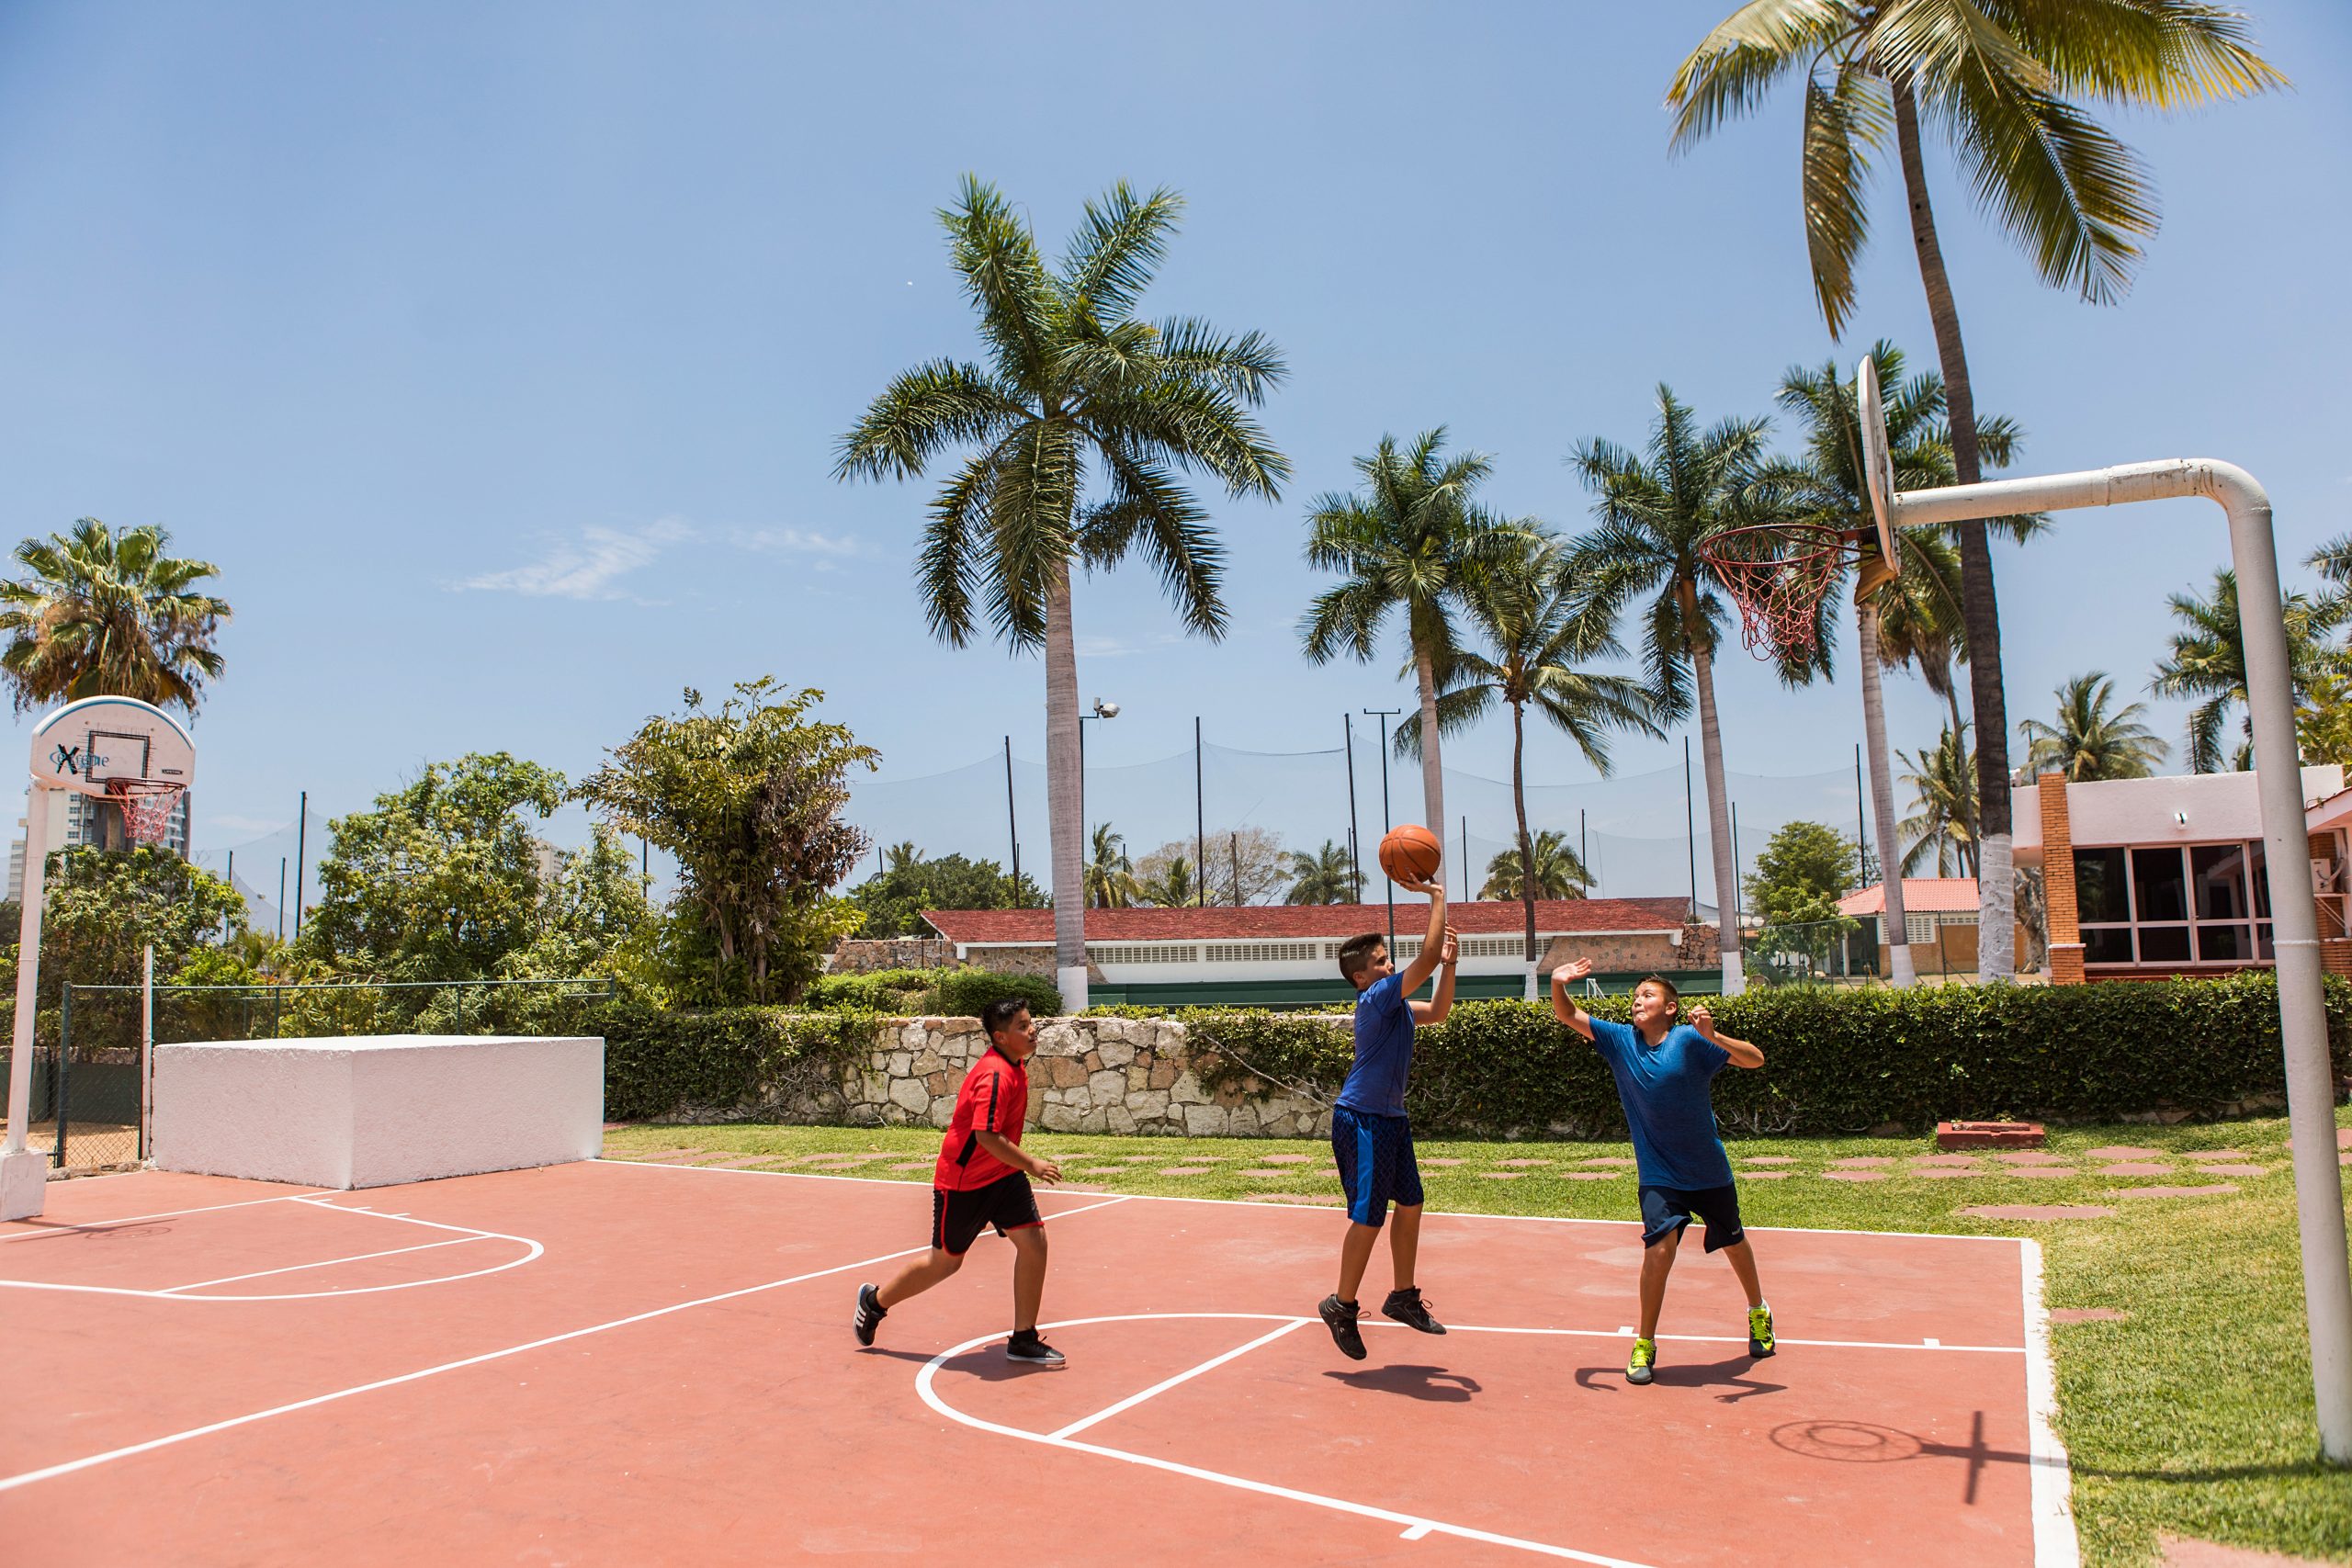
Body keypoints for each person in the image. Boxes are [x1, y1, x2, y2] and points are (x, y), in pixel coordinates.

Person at [1549, 964, 1774, 1385]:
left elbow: (1755, 1059)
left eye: (1648, 995)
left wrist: (1714, 1036)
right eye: (1635, 996)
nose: (1638, 1001)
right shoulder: (1620, 1041)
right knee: (1658, 1249)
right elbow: (1568, 1014)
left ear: (1670, 1008)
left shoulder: (1690, 1040)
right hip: (1658, 1172)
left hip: (1706, 1168)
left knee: (1733, 1241)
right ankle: (1645, 1342)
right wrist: (1558, 983)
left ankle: (1758, 1310)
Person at [853, 997, 1067, 1365]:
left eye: (1030, 1022)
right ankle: (874, 1302)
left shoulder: (1014, 1064)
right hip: (965, 1182)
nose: (1032, 1030)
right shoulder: (994, 1075)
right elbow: (986, 1136)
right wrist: (1032, 1163)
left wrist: (1019, 1166)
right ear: (1000, 1037)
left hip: (1002, 1174)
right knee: (946, 1262)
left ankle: (1023, 1338)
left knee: (1034, 1242)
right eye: (1022, 1026)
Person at [1317, 878, 1458, 1359]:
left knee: (1411, 1203)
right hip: (1362, 1119)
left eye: (1387, 958)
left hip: (1391, 1118)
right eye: (1380, 961)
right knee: (1369, 1216)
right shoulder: (1376, 998)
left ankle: (1402, 1296)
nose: (1389, 965)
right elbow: (1426, 956)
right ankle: (1341, 1305)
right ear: (1361, 977)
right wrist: (1437, 899)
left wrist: (1450, 965)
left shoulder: (1397, 1007)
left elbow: (1439, 1010)